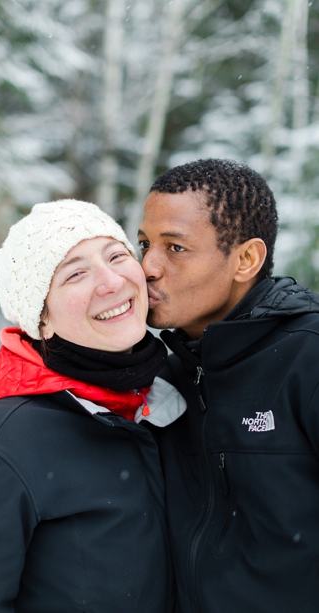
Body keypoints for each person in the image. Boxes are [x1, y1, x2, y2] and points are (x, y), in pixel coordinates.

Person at [0, 200, 185, 613]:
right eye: (76, 273)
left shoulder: (172, 404)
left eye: (117, 256)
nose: (111, 281)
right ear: (41, 321)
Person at [138, 158, 319, 612]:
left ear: (246, 259)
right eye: (144, 244)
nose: (147, 267)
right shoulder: (160, 373)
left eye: (175, 248)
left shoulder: (309, 359)